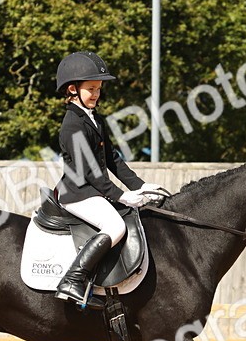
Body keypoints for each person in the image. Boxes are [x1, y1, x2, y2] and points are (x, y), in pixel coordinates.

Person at [52, 51, 164, 308]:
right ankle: (73, 280)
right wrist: (121, 195)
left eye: (99, 89)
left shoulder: (94, 119)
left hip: (91, 190)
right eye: (91, 89)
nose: (96, 94)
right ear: (72, 89)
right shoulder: (72, 124)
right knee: (115, 227)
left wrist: (140, 186)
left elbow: (112, 158)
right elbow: (90, 170)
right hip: (77, 193)